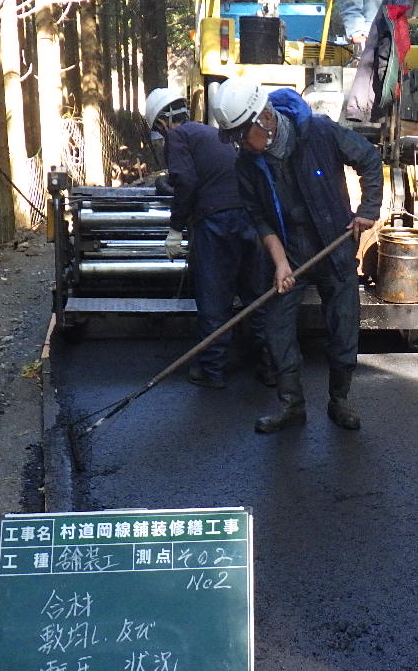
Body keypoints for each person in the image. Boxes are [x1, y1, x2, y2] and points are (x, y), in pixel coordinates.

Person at [214, 76, 383, 433]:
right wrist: (280, 264)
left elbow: (369, 158)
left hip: (333, 244)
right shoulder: (247, 163)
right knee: (276, 328)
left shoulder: (320, 133)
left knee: (342, 327)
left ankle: (339, 401)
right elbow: (259, 218)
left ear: (264, 119)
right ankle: (292, 406)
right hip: (288, 251)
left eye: (243, 135)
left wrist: (368, 208)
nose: (241, 145)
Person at [149, 87, 273, 389]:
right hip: (249, 219)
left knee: (214, 297)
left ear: (162, 122)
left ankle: (212, 370)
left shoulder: (178, 137)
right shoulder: (207, 132)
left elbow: (186, 180)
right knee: (255, 296)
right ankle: (272, 365)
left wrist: (176, 228)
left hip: (219, 224)